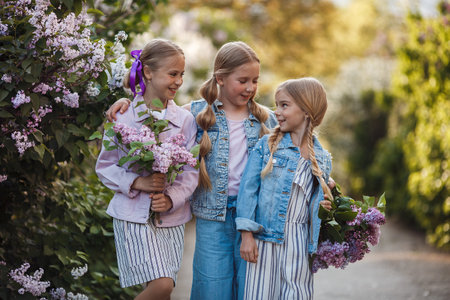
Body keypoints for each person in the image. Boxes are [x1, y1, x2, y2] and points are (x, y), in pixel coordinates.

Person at [105, 41, 278, 300]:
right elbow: (158, 113)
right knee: (212, 288)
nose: (251, 88)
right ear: (220, 78)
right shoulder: (196, 114)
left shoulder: (267, 118)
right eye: (243, 80)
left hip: (252, 217)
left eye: (255, 80)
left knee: (251, 289)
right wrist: (126, 102)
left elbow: (297, 145)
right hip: (211, 215)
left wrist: (324, 178)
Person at [95, 39, 199, 300]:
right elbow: (105, 166)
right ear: (149, 73)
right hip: (132, 216)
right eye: (172, 74)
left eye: (181, 75)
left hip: (171, 219)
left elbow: (190, 172)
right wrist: (137, 183)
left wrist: (171, 198)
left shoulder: (185, 121)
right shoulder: (123, 117)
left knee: (163, 292)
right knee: (162, 286)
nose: (178, 81)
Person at [236, 77, 333, 299]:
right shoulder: (267, 146)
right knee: (260, 294)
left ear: (307, 110)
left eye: (284, 105)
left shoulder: (323, 158)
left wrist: (325, 203)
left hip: (299, 241)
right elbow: (248, 190)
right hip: (265, 239)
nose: (277, 111)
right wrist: (246, 234)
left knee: (297, 294)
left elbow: (314, 201)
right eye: (277, 104)